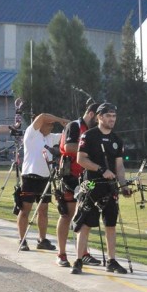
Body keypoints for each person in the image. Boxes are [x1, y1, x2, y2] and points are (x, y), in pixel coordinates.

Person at [71, 103, 131, 275]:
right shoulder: (88, 136)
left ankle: (111, 261)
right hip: (91, 185)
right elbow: (81, 159)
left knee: (110, 225)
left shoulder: (117, 140)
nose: (112, 119)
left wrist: (124, 185)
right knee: (86, 224)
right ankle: (78, 260)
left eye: (114, 116)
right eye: (108, 116)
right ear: (99, 117)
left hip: (110, 189)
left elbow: (119, 167)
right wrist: (101, 169)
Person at [55, 102, 101, 267]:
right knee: (67, 214)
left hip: (86, 177)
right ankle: (61, 254)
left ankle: (83, 253)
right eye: (99, 116)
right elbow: (68, 146)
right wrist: (89, 148)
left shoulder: (94, 131)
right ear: (91, 114)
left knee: (84, 213)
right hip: (69, 176)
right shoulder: (74, 126)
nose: (100, 120)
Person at [17, 112, 70, 251]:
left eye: (53, 125)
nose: (51, 127)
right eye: (49, 124)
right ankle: (22, 240)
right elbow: (42, 116)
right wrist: (60, 119)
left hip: (45, 178)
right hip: (30, 177)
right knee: (25, 210)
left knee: (43, 210)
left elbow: (68, 136)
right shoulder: (32, 133)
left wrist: (70, 125)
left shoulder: (50, 137)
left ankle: (42, 239)